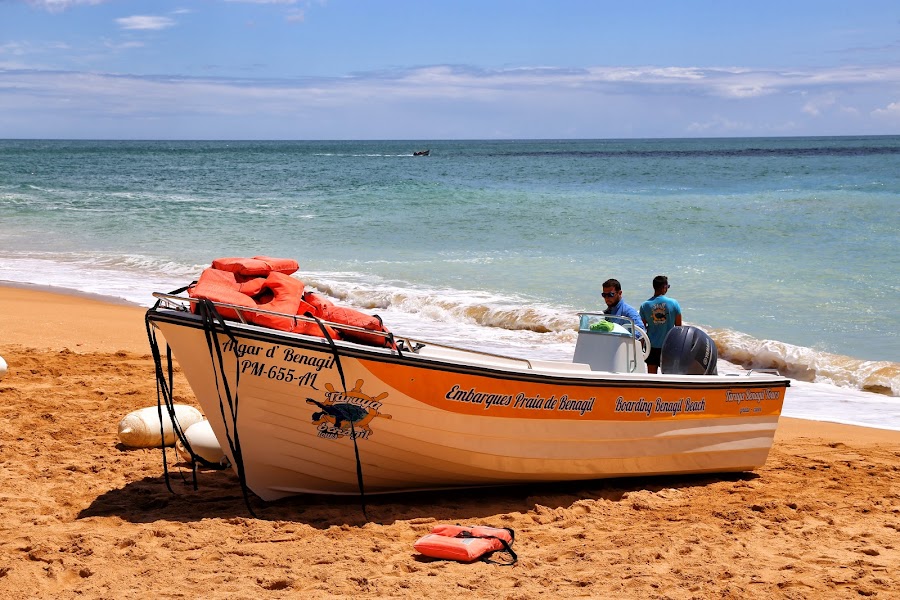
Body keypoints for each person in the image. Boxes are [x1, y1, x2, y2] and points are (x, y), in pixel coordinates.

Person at [639, 275, 682, 374]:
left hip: (651, 346)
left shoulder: (645, 305)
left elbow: (642, 329)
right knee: (667, 377)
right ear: (664, 287)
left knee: (651, 378)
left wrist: (640, 349)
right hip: (668, 346)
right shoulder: (674, 303)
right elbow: (679, 329)